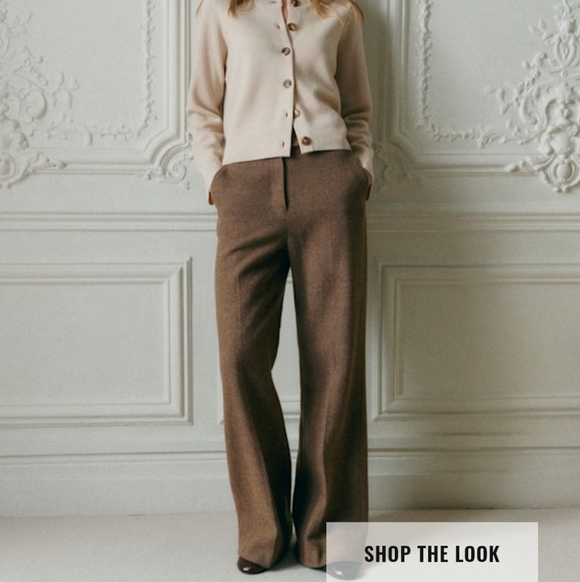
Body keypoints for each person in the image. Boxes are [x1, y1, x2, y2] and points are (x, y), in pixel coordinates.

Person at [187, 0, 373, 577]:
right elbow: (202, 107)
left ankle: (327, 539)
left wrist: (359, 172)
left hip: (330, 188)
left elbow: (359, 108)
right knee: (240, 355)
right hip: (244, 192)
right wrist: (217, 178)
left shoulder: (339, 13)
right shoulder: (221, 12)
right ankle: (263, 532)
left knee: (335, 361)